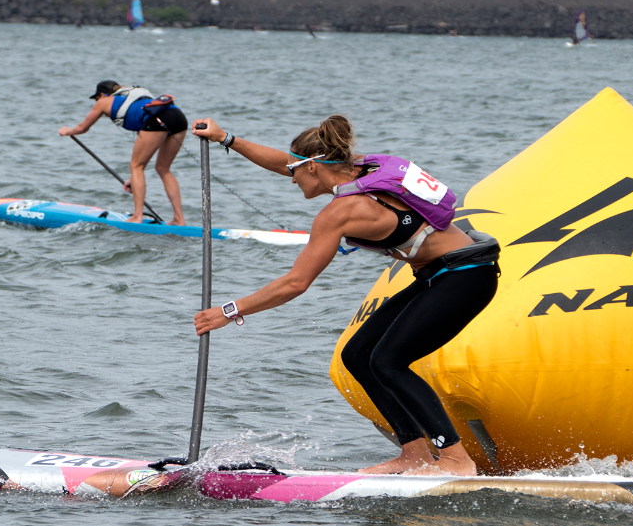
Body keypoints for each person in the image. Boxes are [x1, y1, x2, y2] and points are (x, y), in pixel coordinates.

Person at [190, 115, 501, 476]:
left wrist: (229, 311)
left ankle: (456, 459)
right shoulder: (359, 170)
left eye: (294, 171)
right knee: (358, 354)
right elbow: (285, 162)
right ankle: (414, 454)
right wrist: (227, 138)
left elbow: (296, 283)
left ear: (313, 168)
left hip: (465, 277)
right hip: (441, 274)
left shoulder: (340, 212)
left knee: (388, 361)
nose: (289, 178)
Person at [58, 81, 187, 226]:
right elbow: (145, 140)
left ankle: (137, 216)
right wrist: (133, 178)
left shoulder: (104, 101)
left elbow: (82, 128)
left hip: (158, 119)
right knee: (163, 168)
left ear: (101, 95)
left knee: (136, 166)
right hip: (178, 116)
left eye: (96, 99)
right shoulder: (134, 99)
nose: (96, 102)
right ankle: (179, 219)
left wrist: (67, 131)